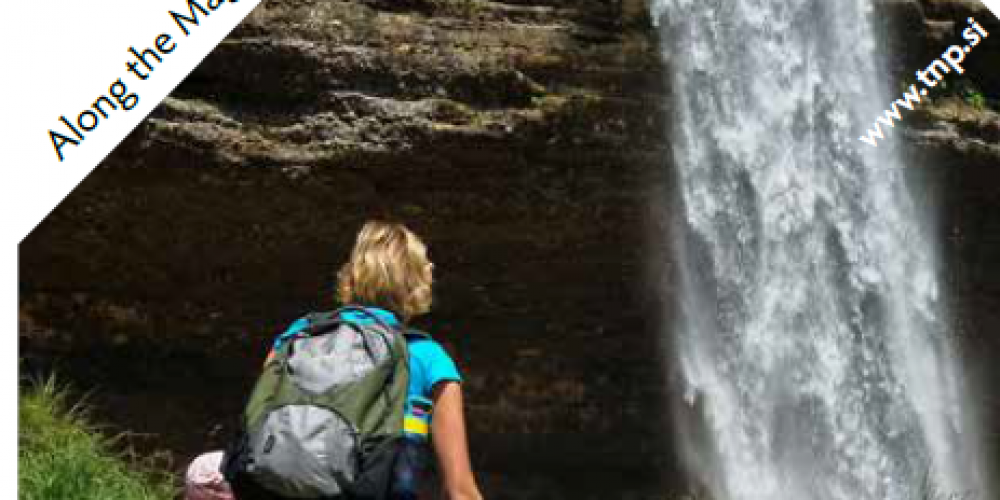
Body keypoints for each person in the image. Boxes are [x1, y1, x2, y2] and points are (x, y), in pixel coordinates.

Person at [185, 220, 483, 500]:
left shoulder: (300, 332)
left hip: (275, 490)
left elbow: (256, 422)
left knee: (202, 470)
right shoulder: (428, 357)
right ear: (415, 281)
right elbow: (460, 492)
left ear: (352, 274)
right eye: (426, 264)